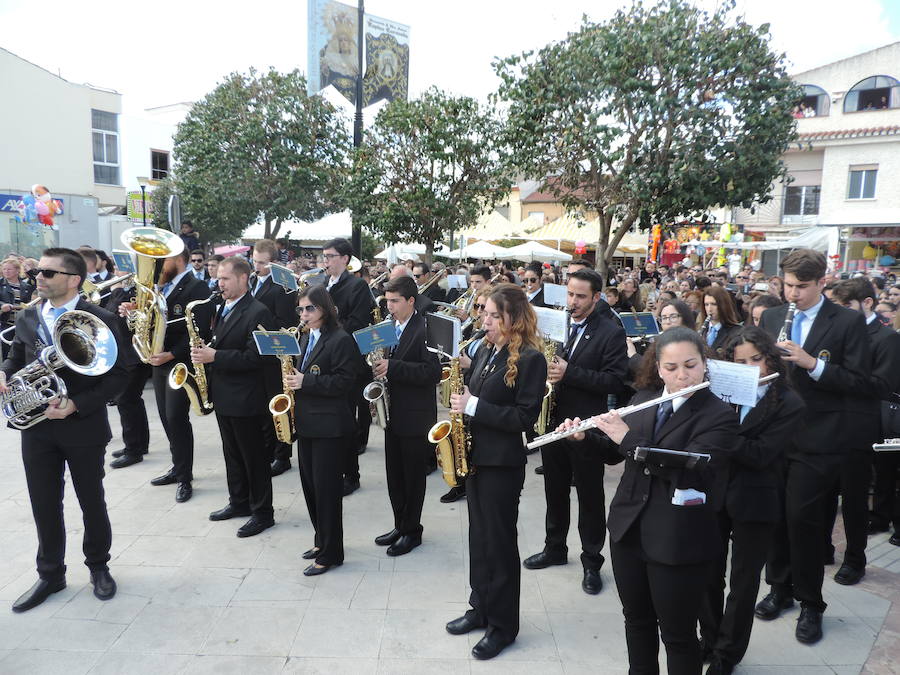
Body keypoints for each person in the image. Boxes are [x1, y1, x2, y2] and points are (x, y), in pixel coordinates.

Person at [562, 326, 737, 674]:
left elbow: (690, 469)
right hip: (629, 530)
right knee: (636, 621)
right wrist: (582, 438)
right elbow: (616, 454)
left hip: (678, 539)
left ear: (705, 364)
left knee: (677, 635)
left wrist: (627, 439)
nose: (682, 375)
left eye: (690, 365)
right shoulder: (643, 400)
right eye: (671, 368)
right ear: (658, 368)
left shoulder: (718, 415)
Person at [1, 248, 131, 612]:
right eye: (36, 272)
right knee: (44, 503)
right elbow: (17, 357)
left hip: (82, 426)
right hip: (37, 429)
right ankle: (50, 573)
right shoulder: (28, 315)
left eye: (47, 273)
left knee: (91, 500)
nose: (37, 277)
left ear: (74, 279)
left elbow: (120, 375)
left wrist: (77, 404)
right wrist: (5, 373)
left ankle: (98, 566)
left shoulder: (99, 317)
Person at [755, 249, 871, 645]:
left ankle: (810, 603)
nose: (792, 294)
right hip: (774, 434)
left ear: (822, 282)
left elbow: (860, 382)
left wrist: (811, 364)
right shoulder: (772, 316)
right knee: (773, 516)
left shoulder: (848, 321)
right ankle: (779, 589)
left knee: (802, 520)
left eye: (801, 287)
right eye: (787, 285)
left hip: (819, 438)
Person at [445, 284, 547, 660]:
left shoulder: (531, 359)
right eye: (483, 313)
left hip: (502, 463)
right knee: (478, 538)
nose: (483, 320)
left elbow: (524, 417)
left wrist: (472, 406)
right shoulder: (488, 349)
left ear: (511, 319)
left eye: (491, 315)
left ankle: (504, 625)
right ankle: (480, 607)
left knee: (500, 544)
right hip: (475, 457)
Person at [699, 327, 805, 675]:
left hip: (757, 499)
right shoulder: (721, 393)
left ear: (771, 359)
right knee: (708, 574)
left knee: (744, 583)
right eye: (740, 362)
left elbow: (760, 454)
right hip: (714, 493)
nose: (751, 369)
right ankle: (710, 638)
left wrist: (720, 432)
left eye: (757, 360)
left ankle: (728, 654)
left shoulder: (789, 402)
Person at [524, 269, 627, 595]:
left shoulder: (610, 332)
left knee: (590, 496)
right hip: (553, 421)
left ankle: (591, 560)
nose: (573, 302)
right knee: (554, 489)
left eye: (581, 296)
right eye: (570, 294)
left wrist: (570, 372)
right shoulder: (557, 323)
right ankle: (555, 548)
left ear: (596, 297)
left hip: (586, 428)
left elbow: (614, 380)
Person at [194, 256, 278, 537]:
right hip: (225, 394)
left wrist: (214, 355)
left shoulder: (258, 312)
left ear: (243, 278)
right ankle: (239, 502)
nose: (220, 284)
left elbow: (257, 358)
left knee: (253, 458)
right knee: (232, 455)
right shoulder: (222, 306)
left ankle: (263, 512)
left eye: (226, 278)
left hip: (247, 398)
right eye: (218, 278)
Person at [824, 278, 900, 585]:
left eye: (845, 306)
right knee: (825, 494)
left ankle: (855, 559)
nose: (838, 313)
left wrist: (833, 376)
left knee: (854, 500)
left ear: (866, 303)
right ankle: (823, 548)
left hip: (860, 429)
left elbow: (883, 386)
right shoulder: (834, 332)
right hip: (827, 427)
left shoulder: (886, 338)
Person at [120, 250, 211, 505]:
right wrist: (133, 311)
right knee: (165, 417)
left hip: (178, 362)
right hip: (158, 361)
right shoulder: (157, 288)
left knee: (176, 418)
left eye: (163, 260)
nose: (158, 266)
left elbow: (200, 329)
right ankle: (177, 466)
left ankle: (185, 477)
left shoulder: (197, 286)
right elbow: (149, 319)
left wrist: (172, 353)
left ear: (178, 260)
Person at [284, 284, 358, 575]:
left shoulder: (340, 339)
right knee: (311, 489)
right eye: (300, 309)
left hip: (329, 427)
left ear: (324, 309)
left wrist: (306, 382)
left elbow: (344, 383)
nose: (304, 314)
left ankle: (331, 553)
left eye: (309, 308)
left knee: (327, 493)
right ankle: (320, 540)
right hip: (308, 423)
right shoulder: (306, 337)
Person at [371, 276, 441, 556]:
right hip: (392, 413)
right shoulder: (389, 327)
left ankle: (413, 530)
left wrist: (393, 367)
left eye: (395, 301)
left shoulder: (426, 329)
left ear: (411, 301)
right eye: (387, 301)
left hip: (415, 415)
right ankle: (400, 524)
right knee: (394, 475)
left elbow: (433, 372)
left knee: (412, 478)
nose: (389, 307)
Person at [322, 238, 375, 496]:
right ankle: (334, 468)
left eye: (331, 256)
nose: (326, 261)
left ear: (345, 259)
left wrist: (328, 329)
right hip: (324, 359)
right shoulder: (321, 284)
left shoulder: (357, 286)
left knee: (347, 419)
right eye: (325, 256)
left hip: (348, 360)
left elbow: (358, 321)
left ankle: (351, 475)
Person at [249, 239, 300, 476]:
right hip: (256, 354)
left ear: (273, 262)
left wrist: (260, 326)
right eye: (254, 261)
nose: (256, 266)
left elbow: (286, 323)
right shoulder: (251, 281)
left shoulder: (281, 287)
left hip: (274, 356)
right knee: (262, 407)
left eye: (261, 263)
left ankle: (283, 455)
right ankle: (269, 450)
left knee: (277, 406)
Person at [0, 257, 35, 360]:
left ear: (17, 270)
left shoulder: (26, 285)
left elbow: (36, 282)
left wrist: (28, 268)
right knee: (7, 353)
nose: (6, 271)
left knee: (23, 353)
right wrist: (2, 305)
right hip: (7, 324)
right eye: (4, 269)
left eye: (9, 269)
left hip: (22, 324)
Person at [698, 285, 742, 357]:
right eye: (706, 304)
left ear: (723, 305)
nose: (709, 309)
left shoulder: (737, 332)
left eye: (714, 304)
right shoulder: (702, 331)